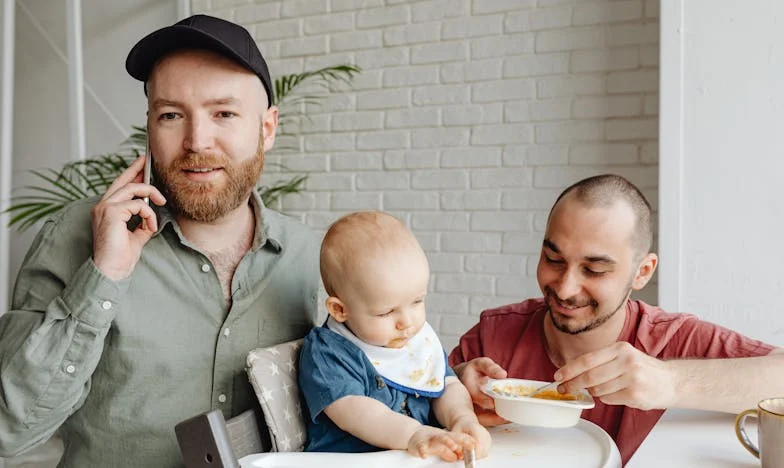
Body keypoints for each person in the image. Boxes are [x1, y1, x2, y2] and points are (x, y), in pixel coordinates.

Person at [0, 15, 321, 467]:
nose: (196, 140)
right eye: (171, 115)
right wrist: (104, 276)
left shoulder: (314, 258)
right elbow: (9, 429)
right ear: (150, 127)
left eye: (224, 113)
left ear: (266, 129)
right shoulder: (75, 237)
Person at [449, 174, 783, 464]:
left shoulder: (674, 340)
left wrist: (671, 381)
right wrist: (450, 395)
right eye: (553, 259)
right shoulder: (491, 338)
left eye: (594, 270)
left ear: (643, 272)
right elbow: (407, 420)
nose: (565, 289)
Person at [298, 211, 491, 461]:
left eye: (417, 301)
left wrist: (461, 418)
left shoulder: (416, 340)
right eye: (386, 311)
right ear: (340, 309)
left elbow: (445, 386)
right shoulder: (327, 352)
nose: (407, 322)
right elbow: (355, 411)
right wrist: (414, 434)